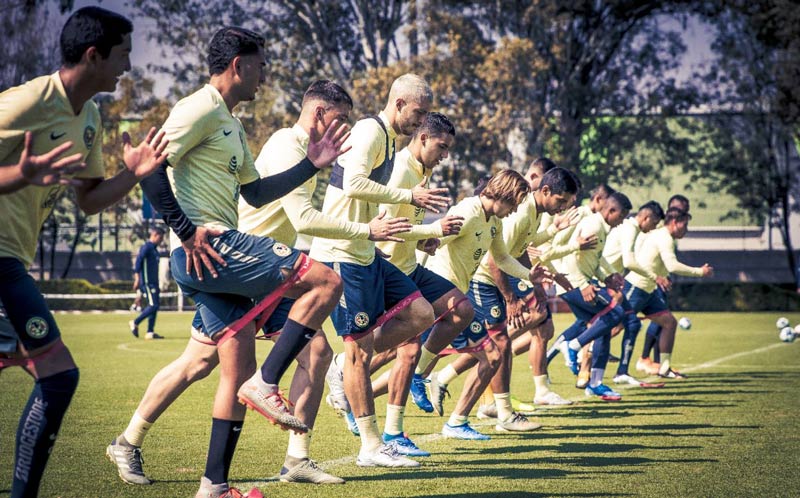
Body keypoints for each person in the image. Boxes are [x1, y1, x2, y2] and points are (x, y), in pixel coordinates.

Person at [107, 80, 409, 487]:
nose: (345, 131)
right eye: (339, 120)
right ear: (319, 114)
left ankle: (295, 458)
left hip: (264, 275)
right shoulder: (288, 144)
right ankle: (134, 440)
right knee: (201, 364)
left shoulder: (301, 151)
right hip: (245, 269)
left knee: (313, 354)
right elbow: (302, 219)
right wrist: (366, 230)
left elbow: (258, 195)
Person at [133, 27, 349, 498]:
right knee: (326, 282)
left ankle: (214, 486)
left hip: (215, 259)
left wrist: (312, 165)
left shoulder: (230, 123)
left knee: (233, 370)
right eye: (261, 64)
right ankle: (268, 383)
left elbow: (255, 191)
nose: (265, 73)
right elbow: (147, 168)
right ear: (238, 65)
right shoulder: (199, 107)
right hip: (212, 247)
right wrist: (187, 232)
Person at [0, 7, 169, 497]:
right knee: (58, 375)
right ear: (94, 56)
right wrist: (21, 175)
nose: (128, 68)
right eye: (122, 56)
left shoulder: (89, 116)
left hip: (12, 263)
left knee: (55, 376)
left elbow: (89, 200)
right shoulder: (26, 102)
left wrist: (133, 175)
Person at [311, 73, 452, 468]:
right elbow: (353, 184)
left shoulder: (389, 140)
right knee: (360, 348)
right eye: (418, 112)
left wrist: (418, 232)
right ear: (400, 103)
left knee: (422, 314)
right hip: (343, 251)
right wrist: (408, 196)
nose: (420, 120)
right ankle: (371, 447)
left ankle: (342, 367)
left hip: (367, 250)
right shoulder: (370, 131)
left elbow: (369, 196)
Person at [358, 112, 470, 456]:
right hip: (390, 269)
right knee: (404, 348)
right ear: (422, 138)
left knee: (460, 309)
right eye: (442, 146)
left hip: (410, 265)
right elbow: (391, 227)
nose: (445, 154)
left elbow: (409, 228)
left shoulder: (424, 171)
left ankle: (405, 375)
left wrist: (424, 241)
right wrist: (433, 231)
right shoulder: (401, 169)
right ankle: (391, 431)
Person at [425, 170, 550, 439]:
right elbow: (435, 241)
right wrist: (428, 243)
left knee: (492, 353)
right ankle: (347, 376)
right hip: (442, 295)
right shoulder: (468, 211)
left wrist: (529, 275)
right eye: (514, 203)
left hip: (459, 296)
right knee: (402, 354)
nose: (514, 210)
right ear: (504, 195)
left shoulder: (494, 221)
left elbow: (502, 258)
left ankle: (456, 418)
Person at [548, 192, 632, 400]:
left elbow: (594, 260)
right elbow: (572, 258)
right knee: (616, 313)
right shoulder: (593, 226)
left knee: (603, 328)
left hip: (579, 283)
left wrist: (608, 277)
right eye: (621, 217)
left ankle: (595, 383)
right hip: (573, 284)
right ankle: (572, 345)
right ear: (611, 211)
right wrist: (585, 285)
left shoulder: (601, 228)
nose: (621, 223)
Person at [627, 207, 713, 378]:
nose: (686, 230)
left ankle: (664, 367)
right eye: (685, 225)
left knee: (669, 323)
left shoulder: (661, 235)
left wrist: (663, 276)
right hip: (636, 287)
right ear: (674, 222)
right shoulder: (664, 237)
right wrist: (699, 272)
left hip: (649, 291)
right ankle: (584, 352)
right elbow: (672, 265)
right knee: (614, 325)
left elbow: (656, 261)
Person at [637, 194, 691, 372]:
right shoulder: (659, 228)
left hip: (659, 277)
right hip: (648, 279)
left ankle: (656, 363)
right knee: (655, 318)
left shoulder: (669, 231)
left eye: (685, 211)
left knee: (664, 320)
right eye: (681, 210)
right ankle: (646, 359)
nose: (683, 214)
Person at [130, 226, 166, 339]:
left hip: (154, 282)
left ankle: (150, 331)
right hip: (147, 282)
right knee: (153, 305)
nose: (161, 241)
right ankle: (135, 322)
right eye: (160, 238)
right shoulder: (146, 247)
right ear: (155, 235)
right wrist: (137, 279)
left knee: (155, 305)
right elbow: (138, 262)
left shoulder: (154, 249)